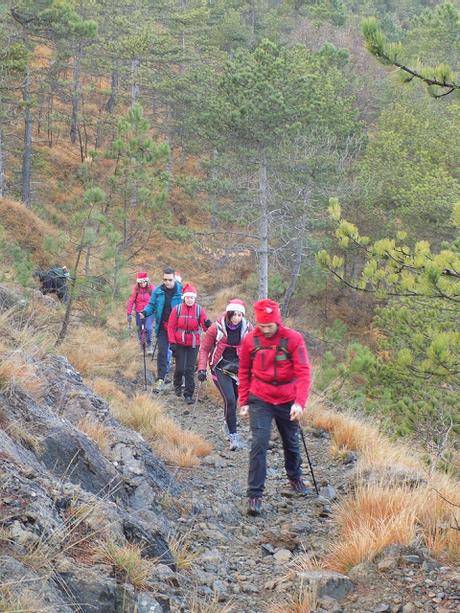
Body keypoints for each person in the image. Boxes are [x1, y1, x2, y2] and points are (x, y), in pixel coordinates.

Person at [238, 298, 311, 516]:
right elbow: (244, 372)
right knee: (259, 443)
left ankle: (294, 477)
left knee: (290, 441)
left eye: (270, 326)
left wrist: (300, 402)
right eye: (262, 326)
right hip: (260, 397)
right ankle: (254, 495)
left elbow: (303, 372)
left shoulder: (293, 339)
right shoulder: (250, 341)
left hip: (288, 398)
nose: (266, 330)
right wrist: (243, 401)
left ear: (278, 322)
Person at [198, 298, 253, 450]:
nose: (236, 318)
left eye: (239, 315)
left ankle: (226, 424)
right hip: (219, 367)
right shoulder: (216, 328)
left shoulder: (248, 328)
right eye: (233, 315)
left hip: (238, 368)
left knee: (234, 399)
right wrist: (202, 368)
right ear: (228, 314)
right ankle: (234, 437)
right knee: (229, 399)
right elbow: (204, 349)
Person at [140, 267, 182, 392]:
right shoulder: (158, 291)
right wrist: (145, 312)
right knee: (162, 353)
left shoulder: (182, 291)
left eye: (170, 279)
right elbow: (151, 305)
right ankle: (160, 379)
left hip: (178, 329)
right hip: (163, 327)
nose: (167, 282)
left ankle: (179, 381)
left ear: (174, 278)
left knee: (179, 354)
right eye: (165, 279)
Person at [168, 283, 211, 404]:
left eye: (192, 297)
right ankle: (177, 384)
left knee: (189, 369)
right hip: (179, 342)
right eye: (187, 297)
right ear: (184, 298)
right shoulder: (177, 309)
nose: (190, 299)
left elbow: (205, 326)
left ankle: (188, 394)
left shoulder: (199, 310)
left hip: (193, 343)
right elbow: (171, 327)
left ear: (194, 298)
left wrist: (208, 324)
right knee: (180, 367)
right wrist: (172, 342)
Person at [126, 272, 155, 354]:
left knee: (148, 328)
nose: (142, 284)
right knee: (140, 329)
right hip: (139, 312)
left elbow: (156, 299)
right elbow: (131, 300)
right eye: (140, 282)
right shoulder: (136, 289)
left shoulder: (151, 288)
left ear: (147, 281)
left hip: (149, 312)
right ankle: (142, 346)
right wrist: (129, 313)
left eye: (143, 282)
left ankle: (149, 345)